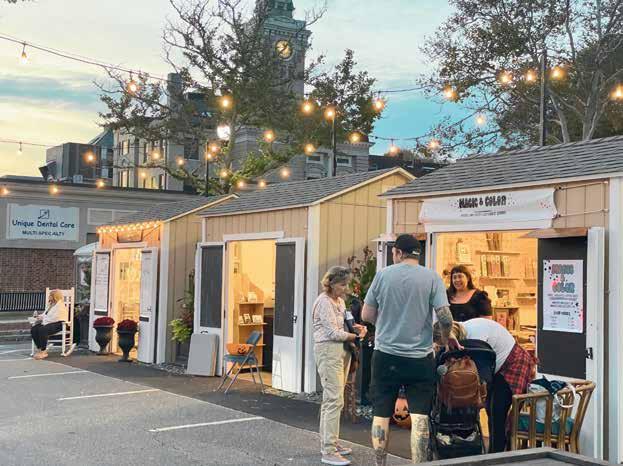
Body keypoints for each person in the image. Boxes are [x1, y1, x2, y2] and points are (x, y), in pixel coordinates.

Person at [362, 234, 460, 466]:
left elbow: (366, 314)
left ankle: (380, 463)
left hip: (386, 355)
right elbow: (445, 317)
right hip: (419, 357)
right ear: (418, 254)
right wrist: (445, 338)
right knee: (419, 416)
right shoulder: (432, 277)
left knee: (381, 414)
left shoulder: (383, 275)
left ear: (398, 252)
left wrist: (384, 325)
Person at [434, 318, 536, 453]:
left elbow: (481, 376)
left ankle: (497, 454)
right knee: (492, 411)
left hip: (512, 362)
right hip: (494, 365)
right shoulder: (464, 332)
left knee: (497, 412)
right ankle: (496, 451)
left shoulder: (476, 337)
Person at [313, 266, 367, 466]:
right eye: (342, 284)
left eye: (346, 284)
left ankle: (331, 442)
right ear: (331, 283)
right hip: (328, 351)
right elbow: (332, 333)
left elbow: (344, 324)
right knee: (333, 400)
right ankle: (328, 450)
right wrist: (356, 337)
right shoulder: (323, 302)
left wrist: (357, 328)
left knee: (336, 399)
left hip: (341, 351)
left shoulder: (340, 301)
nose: (345, 288)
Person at [31, 290, 68, 360]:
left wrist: (43, 319)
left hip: (59, 323)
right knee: (34, 329)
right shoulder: (50, 305)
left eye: (50, 295)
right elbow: (45, 314)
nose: (49, 297)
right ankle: (40, 349)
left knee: (42, 330)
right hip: (48, 322)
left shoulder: (60, 306)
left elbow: (55, 318)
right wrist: (38, 316)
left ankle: (44, 351)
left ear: (55, 296)